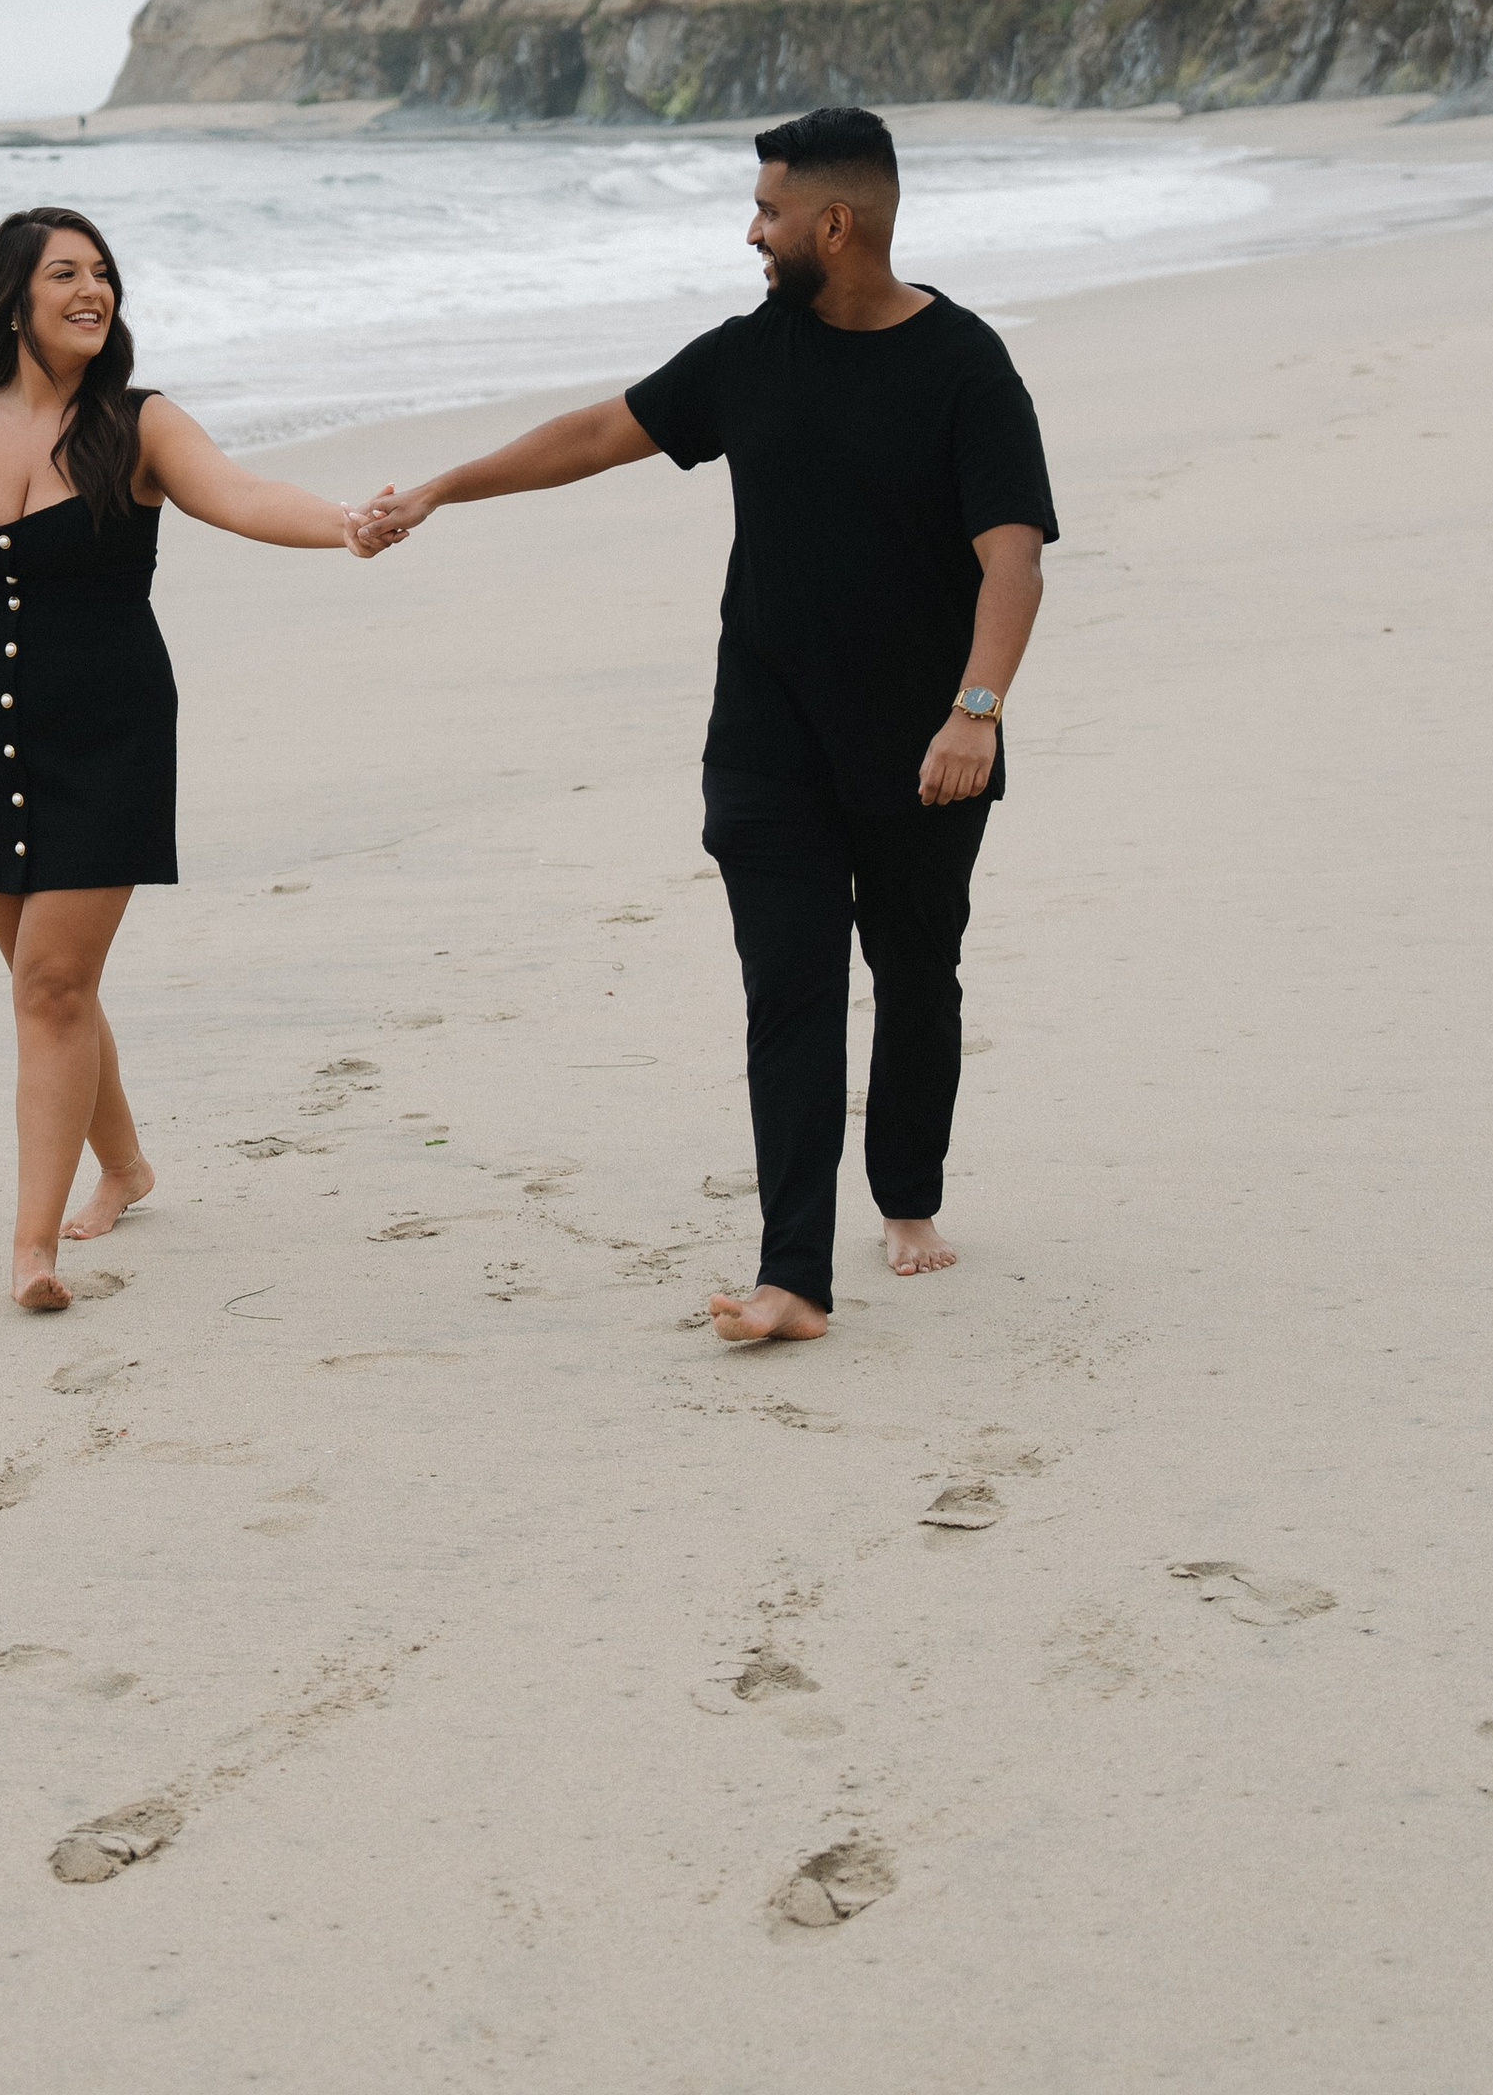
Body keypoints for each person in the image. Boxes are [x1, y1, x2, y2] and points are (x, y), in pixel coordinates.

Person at [355, 107, 1055, 1346]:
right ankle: (793, 1275)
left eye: (770, 211)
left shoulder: (965, 366)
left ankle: (906, 1194)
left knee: (913, 973)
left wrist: (975, 715)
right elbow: (596, 434)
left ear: (832, 225)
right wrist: (445, 487)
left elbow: (1012, 562)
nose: (752, 231)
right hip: (767, 742)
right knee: (788, 991)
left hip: (923, 747)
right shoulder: (748, 355)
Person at [0, 206, 380, 1312]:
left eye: (104, 274)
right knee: (49, 984)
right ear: (12, 298)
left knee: (51, 982)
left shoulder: (138, 423)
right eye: (65, 274)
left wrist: (345, 522)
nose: (93, 291)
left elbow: (240, 494)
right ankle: (125, 1164)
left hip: (110, 733)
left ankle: (32, 1248)